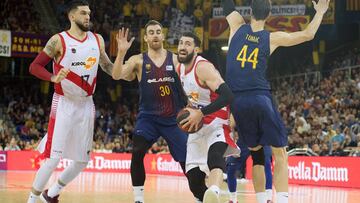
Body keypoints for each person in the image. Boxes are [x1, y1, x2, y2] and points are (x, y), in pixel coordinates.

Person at [222, 0, 330, 202]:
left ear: (250, 11)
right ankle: (281, 199)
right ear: (269, 14)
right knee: (280, 154)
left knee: (257, 157)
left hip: (236, 102)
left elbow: (227, 5)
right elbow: (308, 34)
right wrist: (321, 12)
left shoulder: (236, 25)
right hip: (259, 97)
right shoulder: (271, 38)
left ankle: (262, 200)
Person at [27, 1, 116, 202]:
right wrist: (52, 77)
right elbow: (34, 67)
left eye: (89, 14)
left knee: (82, 161)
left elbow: (108, 67)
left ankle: (52, 194)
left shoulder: (97, 40)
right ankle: (32, 199)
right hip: (64, 103)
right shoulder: (58, 41)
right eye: (83, 13)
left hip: (86, 104)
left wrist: (123, 68)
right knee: (52, 159)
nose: (88, 17)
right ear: (72, 16)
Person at [112, 20, 189, 203]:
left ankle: (201, 195)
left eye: (158, 31)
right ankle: (138, 199)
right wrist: (121, 52)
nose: (155, 35)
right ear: (145, 38)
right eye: (151, 32)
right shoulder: (137, 60)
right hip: (148, 118)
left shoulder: (176, 59)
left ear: (163, 36)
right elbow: (116, 75)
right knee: (137, 151)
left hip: (174, 119)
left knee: (187, 162)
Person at [176, 32, 238, 203]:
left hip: (217, 121)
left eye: (188, 44)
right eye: (181, 43)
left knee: (215, 157)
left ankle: (215, 190)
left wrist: (201, 112)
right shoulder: (179, 67)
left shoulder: (203, 68)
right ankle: (210, 198)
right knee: (194, 181)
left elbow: (228, 95)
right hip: (197, 124)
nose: (182, 46)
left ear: (196, 49)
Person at [226, 115, 273, 203]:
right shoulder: (236, 103)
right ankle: (233, 199)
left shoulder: (263, 103)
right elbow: (231, 122)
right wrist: (232, 136)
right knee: (230, 166)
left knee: (266, 164)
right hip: (242, 139)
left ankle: (268, 198)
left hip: (261, 138)